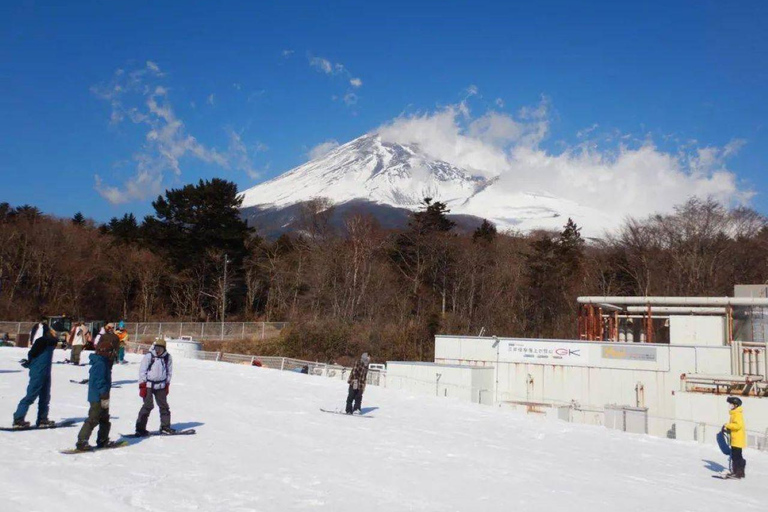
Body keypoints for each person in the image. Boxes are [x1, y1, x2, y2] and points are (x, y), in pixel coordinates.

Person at [12, 318, 58, 428]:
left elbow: (53, 341)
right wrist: (29, 362)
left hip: (46, 371)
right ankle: (18, 418)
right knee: (31, 395)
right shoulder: (42, 341)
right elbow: (32, 353)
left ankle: (42, 419)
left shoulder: (50, 341)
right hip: (38, 371)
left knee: (45, 396)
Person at [75, 340, 115, 450]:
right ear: (104, 352)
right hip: (97, 397)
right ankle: (82, 441)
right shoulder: (100, 364)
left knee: (105, 418)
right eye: (110, 352)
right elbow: (99, 381)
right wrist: (103, 393)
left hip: (104, 396)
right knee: (93, 418)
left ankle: (103, 439)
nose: (111, 354)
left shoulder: (104, 362)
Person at [134, 338, 174, 435]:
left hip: (161, 385)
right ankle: (140, 429)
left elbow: (169, 372)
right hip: (148, 385)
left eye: (160, 348)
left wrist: (167, 384)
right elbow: (142, 371)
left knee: (164, 406)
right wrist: (142, 385)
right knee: (148, 406)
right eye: (156, 348)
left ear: (164, 349)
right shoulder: (149, 356)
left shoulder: (167, 357)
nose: (158, 350)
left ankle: (165, 426)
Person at [723, 396, 747, 478]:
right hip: (735, 439)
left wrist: (728, 425)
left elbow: (738, 425)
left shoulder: (737, 414)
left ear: (736, 405)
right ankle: (740, 472)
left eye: (731, 404)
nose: (730, 405)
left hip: (737, 439)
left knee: (736, 456)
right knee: (737, 456)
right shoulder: (735, 414)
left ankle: (737, 473)